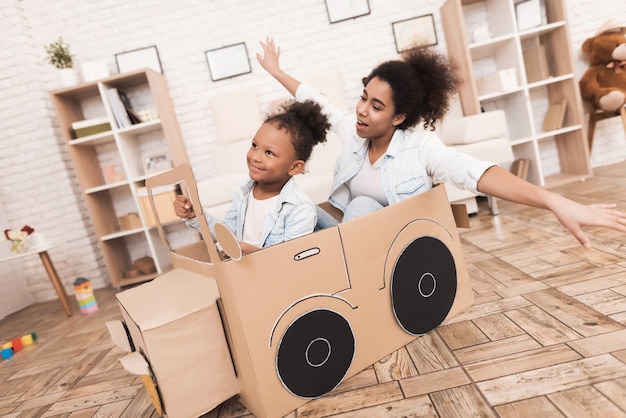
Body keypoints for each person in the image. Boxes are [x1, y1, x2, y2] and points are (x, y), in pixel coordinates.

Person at [257, 36, 626, 249]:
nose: (362, 110)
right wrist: (275, 71)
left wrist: (553, 200)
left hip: (395, 248)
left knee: (363, 206)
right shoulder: (355, 132)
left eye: (377, 105)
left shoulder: (421, 148)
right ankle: (261, 256)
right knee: (293, 203)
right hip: (349, 244)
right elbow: (316, 97)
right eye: (363, 96)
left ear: (399, 117)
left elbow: (475, 173)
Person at [174, 99, 330, 254]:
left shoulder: (299, 209)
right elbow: (228, 233)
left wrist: (251, 251)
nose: (256, 157)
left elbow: (291, 260)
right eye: (255, 146)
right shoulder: (243, 190)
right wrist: (196, 215)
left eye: (269, 153)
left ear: (294, 167)